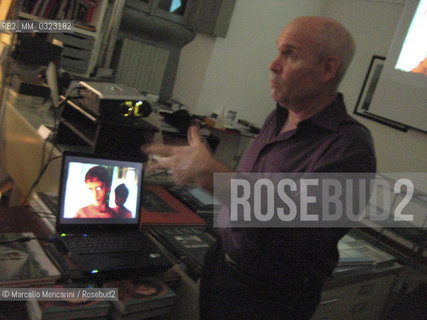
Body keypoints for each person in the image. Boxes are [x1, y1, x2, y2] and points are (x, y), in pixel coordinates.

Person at [143, 16, 376, 320]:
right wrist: (198, 173)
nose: (274, 64)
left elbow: (295, 226)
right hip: (222, 264)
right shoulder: (278, 116)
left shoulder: (349, 147)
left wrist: (212, 176)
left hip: (269, 297)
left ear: (327, 69)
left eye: (290, 54)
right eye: (278, 51)